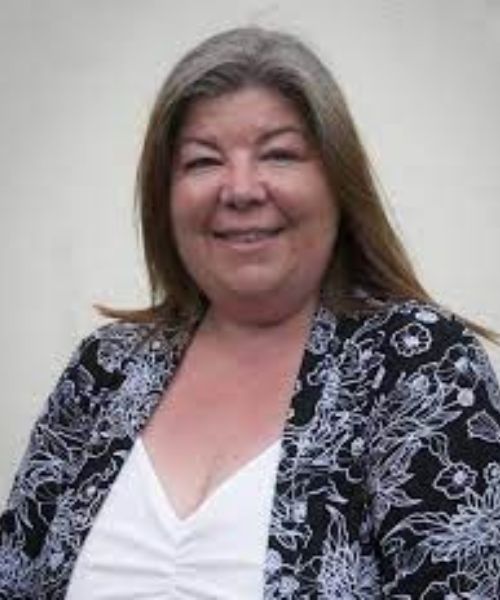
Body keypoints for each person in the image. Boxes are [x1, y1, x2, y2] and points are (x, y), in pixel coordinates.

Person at [1, 26, 500, 600]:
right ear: (164, 198)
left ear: (338, 182)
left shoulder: (419, 364)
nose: (240, 189)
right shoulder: (106, 368)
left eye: (279, 154)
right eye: (203, 161)